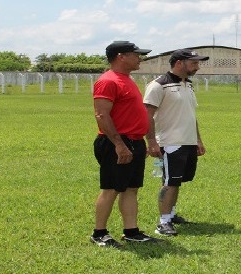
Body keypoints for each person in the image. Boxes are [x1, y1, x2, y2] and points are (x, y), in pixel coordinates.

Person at [90, 41, 159, 247]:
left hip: (133, 142)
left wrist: (144, 140)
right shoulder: (108, 81)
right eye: (136, 54)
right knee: (111, 188)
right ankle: (99, 233)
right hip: (116, 142)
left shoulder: (126, 79)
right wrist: (119, 144)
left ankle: (131, 231)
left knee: (131, 188)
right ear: (121, 56)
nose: (140, 58)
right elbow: (102, 115)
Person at [144, 49, 208, 236]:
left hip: (187, 141)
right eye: (194, 63)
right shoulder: (158, 85)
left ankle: (170, 214)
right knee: (169, 182)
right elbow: (147, 115)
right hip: (169, 142)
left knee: (177, 181)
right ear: (179, 63)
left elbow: (191, 115)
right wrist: (151, 142)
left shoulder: (188, 84)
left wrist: (197, 139)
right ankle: (163, 223)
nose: (198, 67)